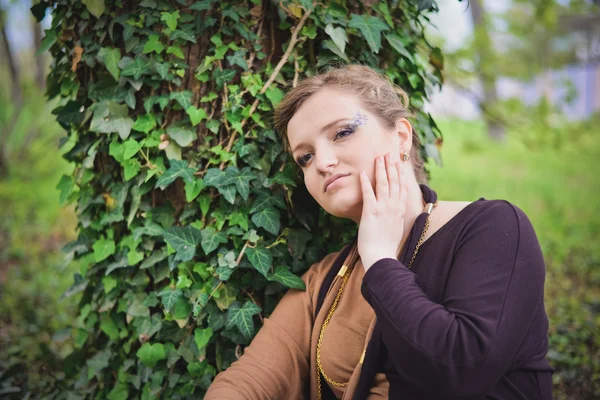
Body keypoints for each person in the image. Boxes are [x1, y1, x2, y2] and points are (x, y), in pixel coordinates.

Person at [204, 64, 554, 400]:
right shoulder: (325, 279)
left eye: (341, 132)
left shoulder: (493, 227)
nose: (322, 163)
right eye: (305, 157)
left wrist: (380, 259)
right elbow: (251, 378)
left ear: (401, 136)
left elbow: (459, 370)